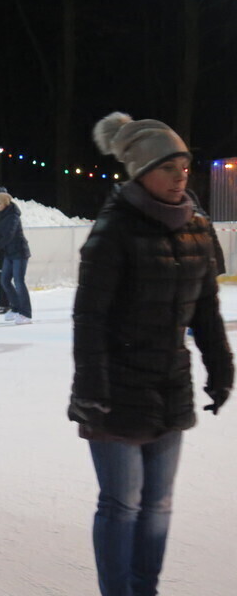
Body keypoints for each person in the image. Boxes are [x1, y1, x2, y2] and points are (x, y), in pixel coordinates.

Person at [68, 112, 234, 596]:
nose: (181, 175)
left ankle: (147, 590)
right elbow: (89, 320)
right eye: (168, 167)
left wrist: (221, 367)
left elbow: (204, 309)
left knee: (158, 504)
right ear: (141, 172)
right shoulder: (114, 230)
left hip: (169, 385)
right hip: (115, 390)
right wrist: (92, 388)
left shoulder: (196, 228)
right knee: (123, 503)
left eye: (184, 165)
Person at [0, 190, 31, 324]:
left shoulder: (13, 215)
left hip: (19, 252)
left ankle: (26, 314)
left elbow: (9, 235)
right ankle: (16, 308)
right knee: (4, 280)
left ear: (5, 203)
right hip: (9, 253)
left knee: (19, 282)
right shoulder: (1, 214)